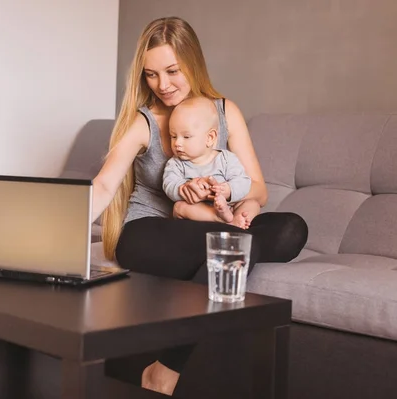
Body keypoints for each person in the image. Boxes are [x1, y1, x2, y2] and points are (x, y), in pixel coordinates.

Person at [91, 16, 308, 396]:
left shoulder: (224, 112)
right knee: (228, 246)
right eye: (151, 75)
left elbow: (257, 186)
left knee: (291, 226)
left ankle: (230, 239)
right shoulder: (143, 121)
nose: (163, 85)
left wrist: (246, 210)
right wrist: (59, 236)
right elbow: (105, 184)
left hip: (216, 224)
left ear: (192, 62)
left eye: (172, 71)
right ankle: (166, 369)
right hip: (149, 234)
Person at [162, 96, 260, 229]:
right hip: (200, 213)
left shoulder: (226, 159)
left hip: (228, 206)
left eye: (186, 137)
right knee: (179, 207)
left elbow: (243, 181)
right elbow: (169, 185)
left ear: (210, 138)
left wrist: (228, 190)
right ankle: (221, 219)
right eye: (173, 136)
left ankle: (237, 219)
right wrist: (184, 188)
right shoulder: (175, 163)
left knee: (253, 203)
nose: (177, 143)